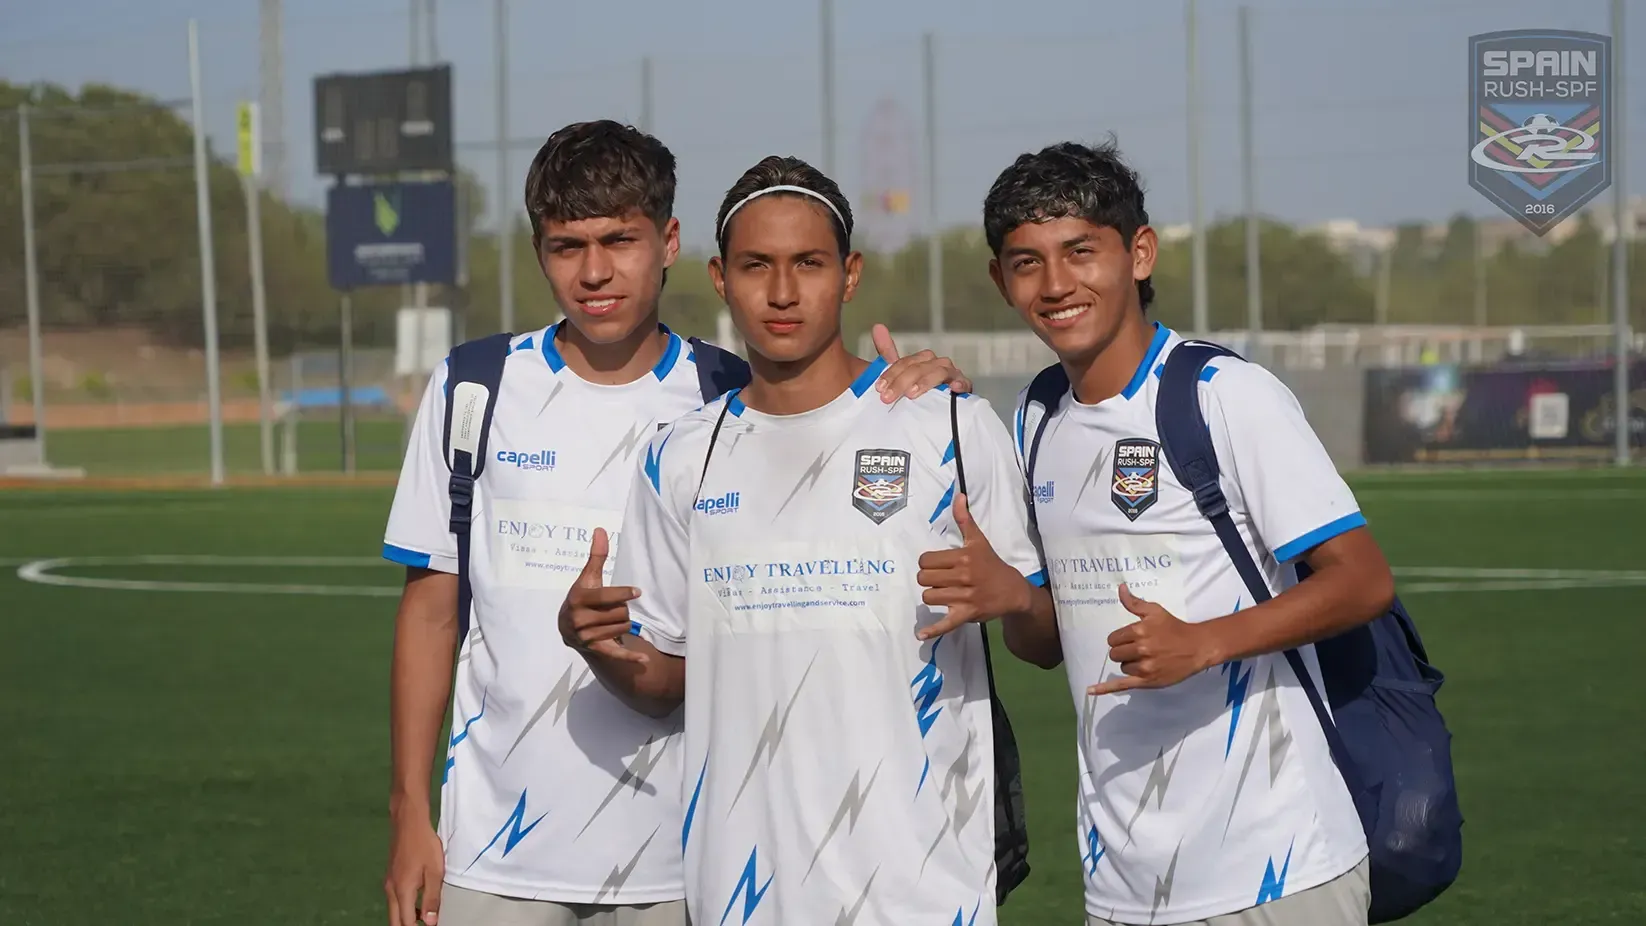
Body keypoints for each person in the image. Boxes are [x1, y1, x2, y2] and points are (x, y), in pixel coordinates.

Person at [380, 121, 970, 926]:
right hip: (493, 851)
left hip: (685, 859)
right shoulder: (473, 387)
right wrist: (412, 813)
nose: (594, 272)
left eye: (619, 240)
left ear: (669, 241)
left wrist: (919, 386)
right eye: (566, 246)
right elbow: (429, 609)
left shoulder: (729, 395)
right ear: (539, 251)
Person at [557, 155, 1052, 926]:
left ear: (849, 275)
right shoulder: (681, 454)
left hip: (923, 894)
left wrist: (1017, 596)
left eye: (808, 265)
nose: (782, 293)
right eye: (757, 266)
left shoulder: (947, 424)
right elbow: (664, 683)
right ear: (721, 278)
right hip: (741, 897)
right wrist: (594, 642)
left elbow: (1048, 639)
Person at [982, 140, 1397, 926]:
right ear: (1001, 282)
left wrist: (1205, 641)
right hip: (1124, 884)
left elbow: (1362, 579)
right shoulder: (1036, 416)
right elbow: (1042, 644)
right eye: (1026, 262)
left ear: (1139, 253)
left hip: (1277, 870)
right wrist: (1010, 597)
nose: (1057, 284)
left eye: (1080, 252)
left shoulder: (1225, 394)